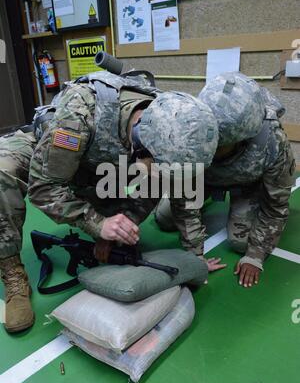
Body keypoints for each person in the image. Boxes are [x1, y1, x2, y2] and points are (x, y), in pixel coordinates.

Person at [0, 68, 219, 333]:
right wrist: (97, 223)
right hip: (48, 150)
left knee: (150, 181)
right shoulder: (78, 116)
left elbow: (184, 194)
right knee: (2, 172)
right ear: (142, 147)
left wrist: (194, 258)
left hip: (98, 166)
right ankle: (13, 274)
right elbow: (43, 187)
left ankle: (115, 226)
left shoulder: (173, 127)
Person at [155, 72, 296, 289]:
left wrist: (255, 256)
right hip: (206, 181)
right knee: (165, 220)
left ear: (242, 139)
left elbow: (275, 207)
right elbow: (183, 200)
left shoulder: (272, 143)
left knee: (241, 243)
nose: (210, 148)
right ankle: (208, 200)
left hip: (246, 186)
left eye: (219, 145)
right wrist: (195, 255)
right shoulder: (194, 133)